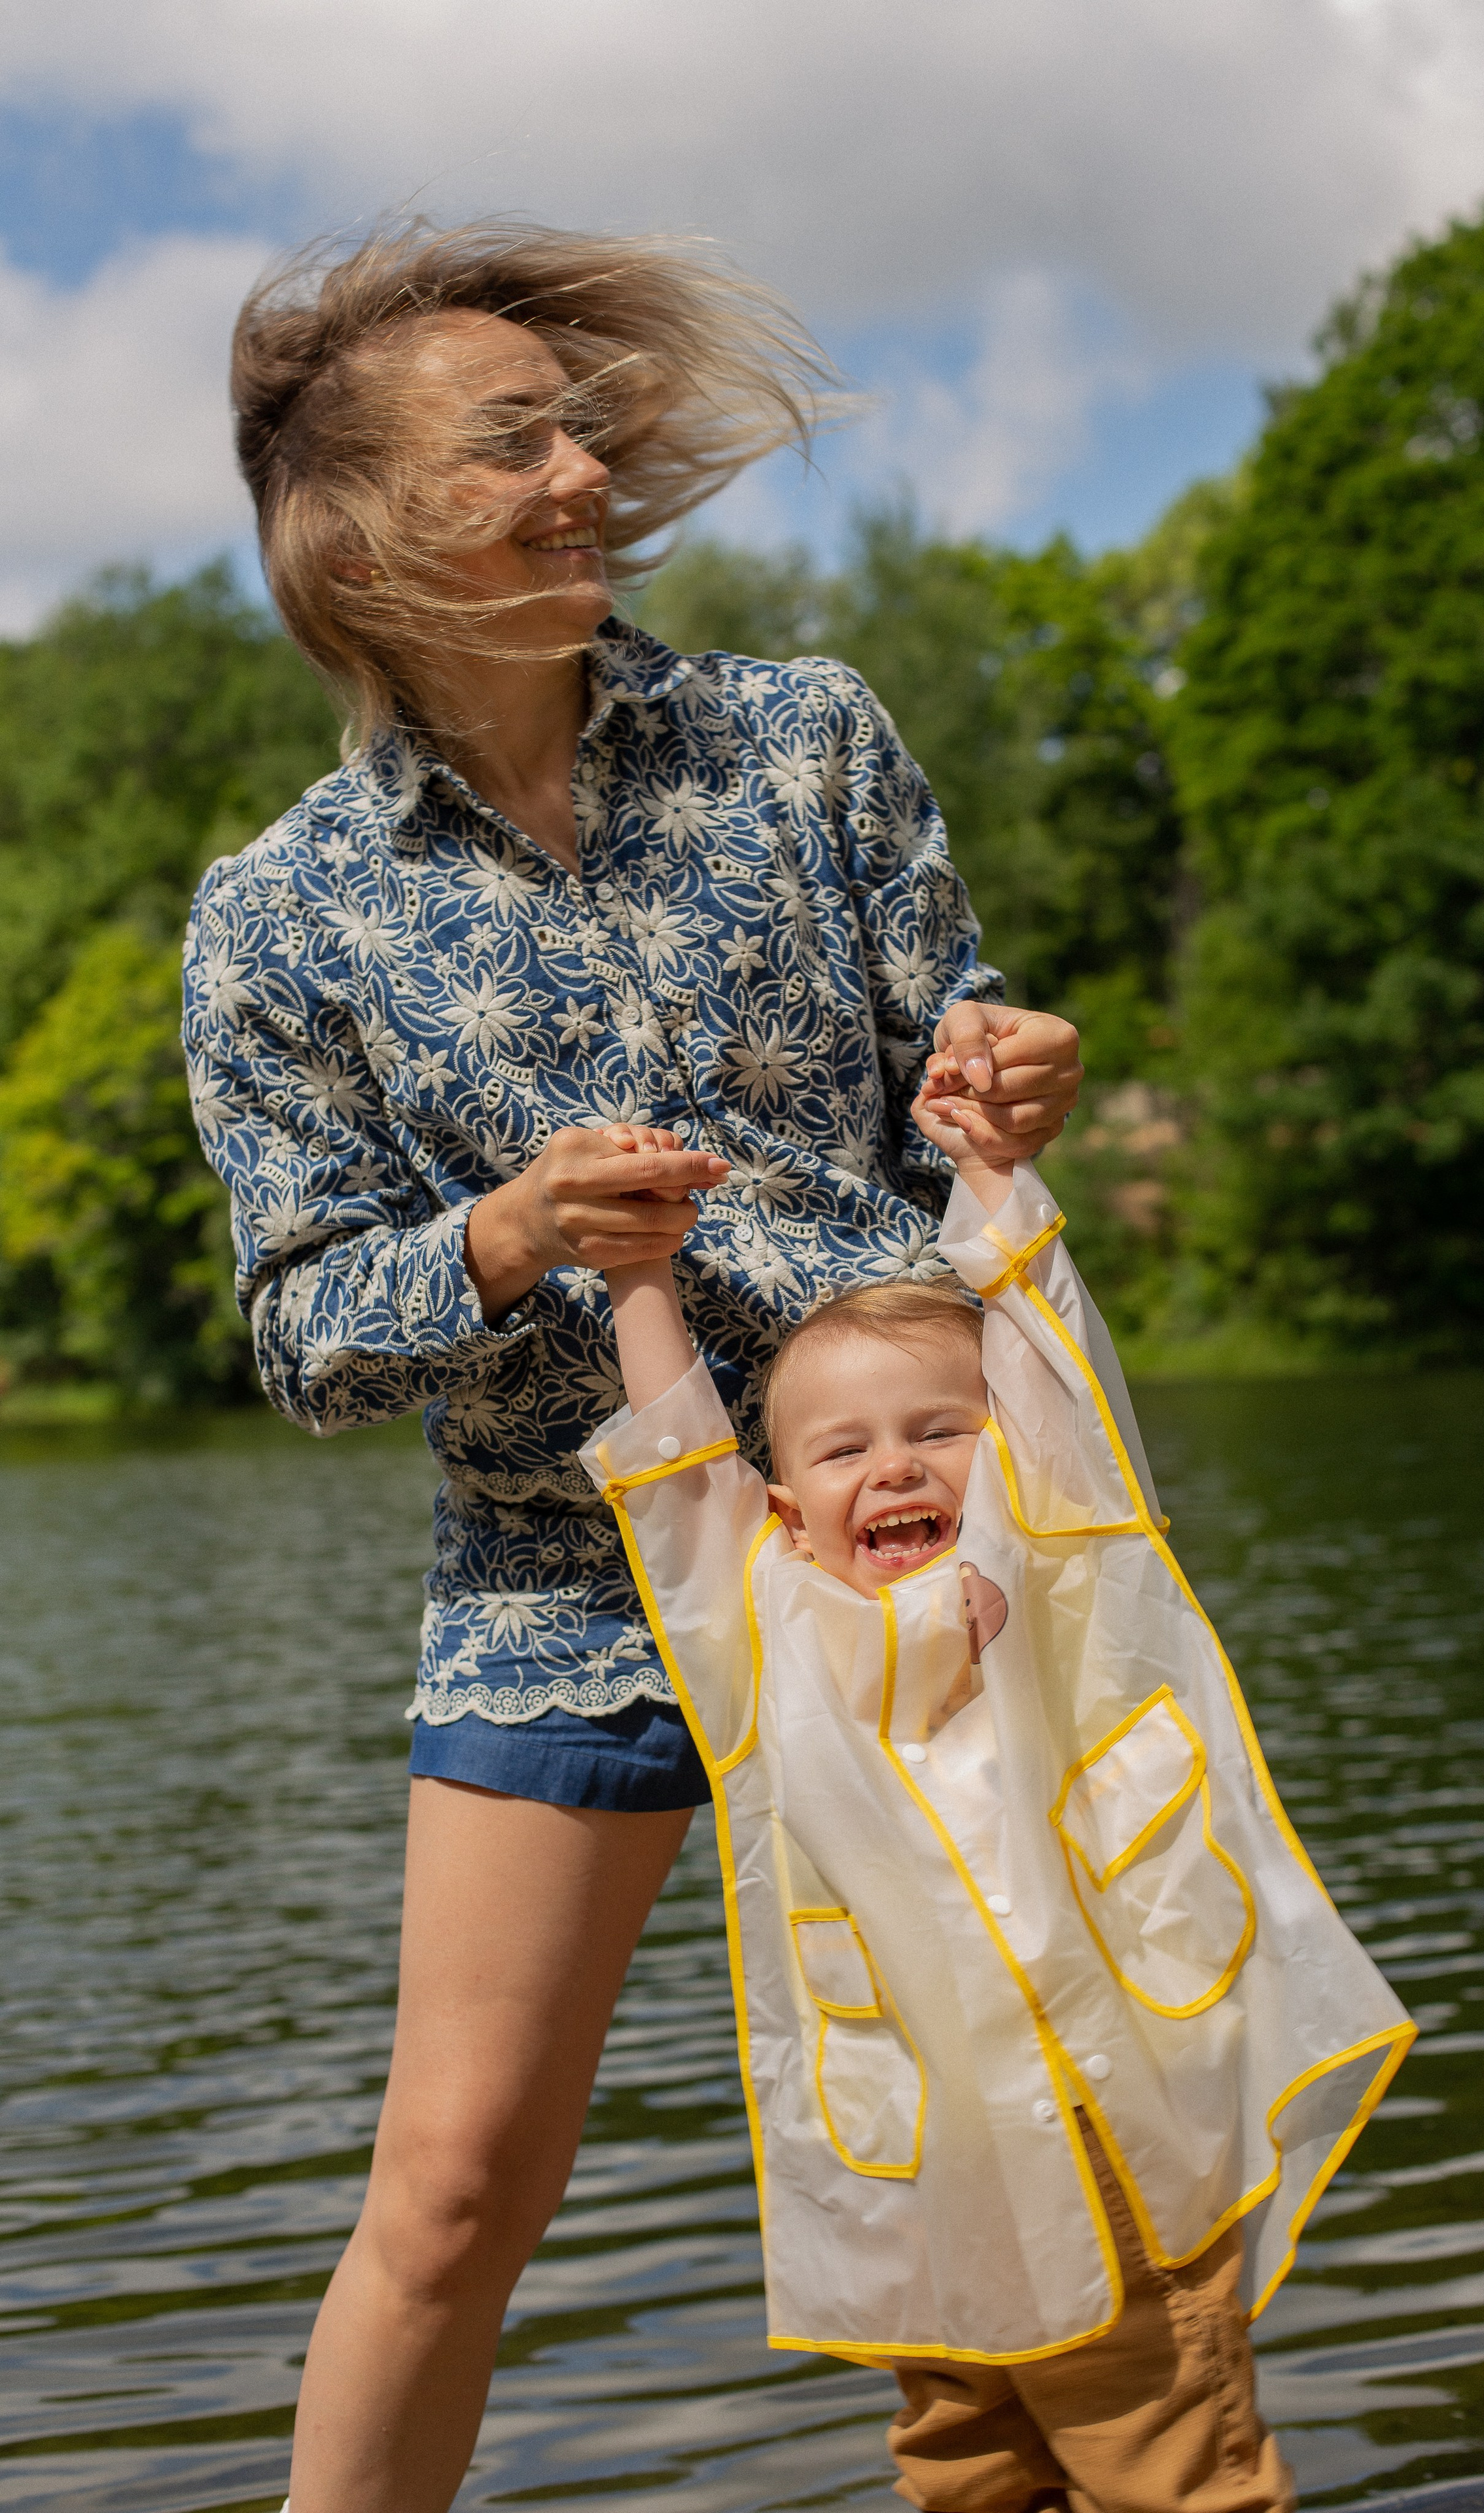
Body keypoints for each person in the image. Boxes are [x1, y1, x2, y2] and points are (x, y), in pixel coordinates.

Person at [182, 220, 1086, 2513]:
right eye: (521, 444)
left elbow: (940, 1065)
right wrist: (497, 1239)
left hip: (911, 1514)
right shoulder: (278, 915)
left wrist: (994, 1076)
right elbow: (299, 1336)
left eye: (586, 430)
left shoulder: (809, 738)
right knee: (460, 2188)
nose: (590, 472)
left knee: (1048, 2116)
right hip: (562, 1573)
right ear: (363, 531)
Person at [582, 1090, 1415, 2513]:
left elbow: (1048, 1364)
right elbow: (672, 1457)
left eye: (936, 1433)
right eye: (841, 1452)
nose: (893, 1465)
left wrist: (990, 1173)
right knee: (962, 2468)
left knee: (1169, 2462)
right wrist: (637, 1275)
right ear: (780, 1507)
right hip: (922, 2170)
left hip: (1105, 2133)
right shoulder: (758, 1639)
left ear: (1002, 1458)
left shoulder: (1049, 1572)